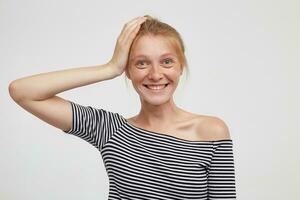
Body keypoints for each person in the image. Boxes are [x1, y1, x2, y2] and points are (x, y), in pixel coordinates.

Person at [9, 15, 236, 199]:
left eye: (167, 61)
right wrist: (109, 68)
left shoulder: (211, 132)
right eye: (141, 63)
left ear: (180, 67)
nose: (156, 74)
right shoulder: (110, 130)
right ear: (127, 70)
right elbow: (23, 91)